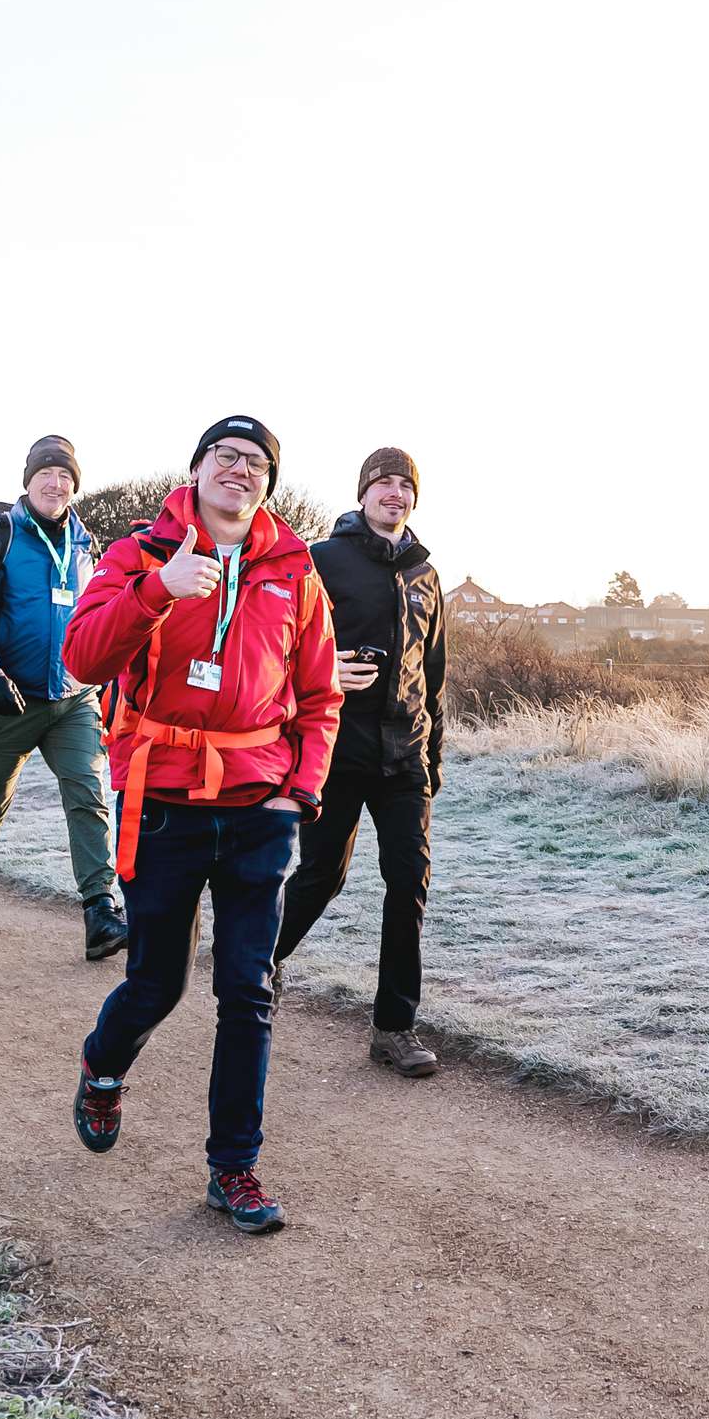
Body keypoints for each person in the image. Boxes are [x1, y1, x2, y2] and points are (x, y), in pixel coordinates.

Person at [62, 415, 341, 1235]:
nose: (240, 471)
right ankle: (103, 1067)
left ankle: (235, 1168)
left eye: (256, 463)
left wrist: (303, 789)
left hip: (260, 802)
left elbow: (322, 694)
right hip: (164, 798)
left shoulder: (296, 569)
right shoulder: (140, 553)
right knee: (158, 982)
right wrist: (157, 593)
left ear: (268, 484)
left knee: (248, 988)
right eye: (226, 456)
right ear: (195, 469)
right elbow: (83, 658)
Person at [274, 448, 446, 1078]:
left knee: (409, 885)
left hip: (405, 757)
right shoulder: (321, 560)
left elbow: (433, 677)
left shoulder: (427, 575)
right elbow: (281, 645)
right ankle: (260, 965)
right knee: (322, 874)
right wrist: (325, 670)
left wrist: (433, 758)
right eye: (384, 484)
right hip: (335, 750)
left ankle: (394, 1028)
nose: (394, 493)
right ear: (363, 494)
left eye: (405, 485)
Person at [0, 436, 128, 961]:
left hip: (74, 697)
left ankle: (100, 909)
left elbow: (102, 619)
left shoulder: (88, 545)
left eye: (66, 476)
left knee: (89, 796)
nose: (56, 483)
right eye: (46, 473)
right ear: (28, 481)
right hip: (9, 699)